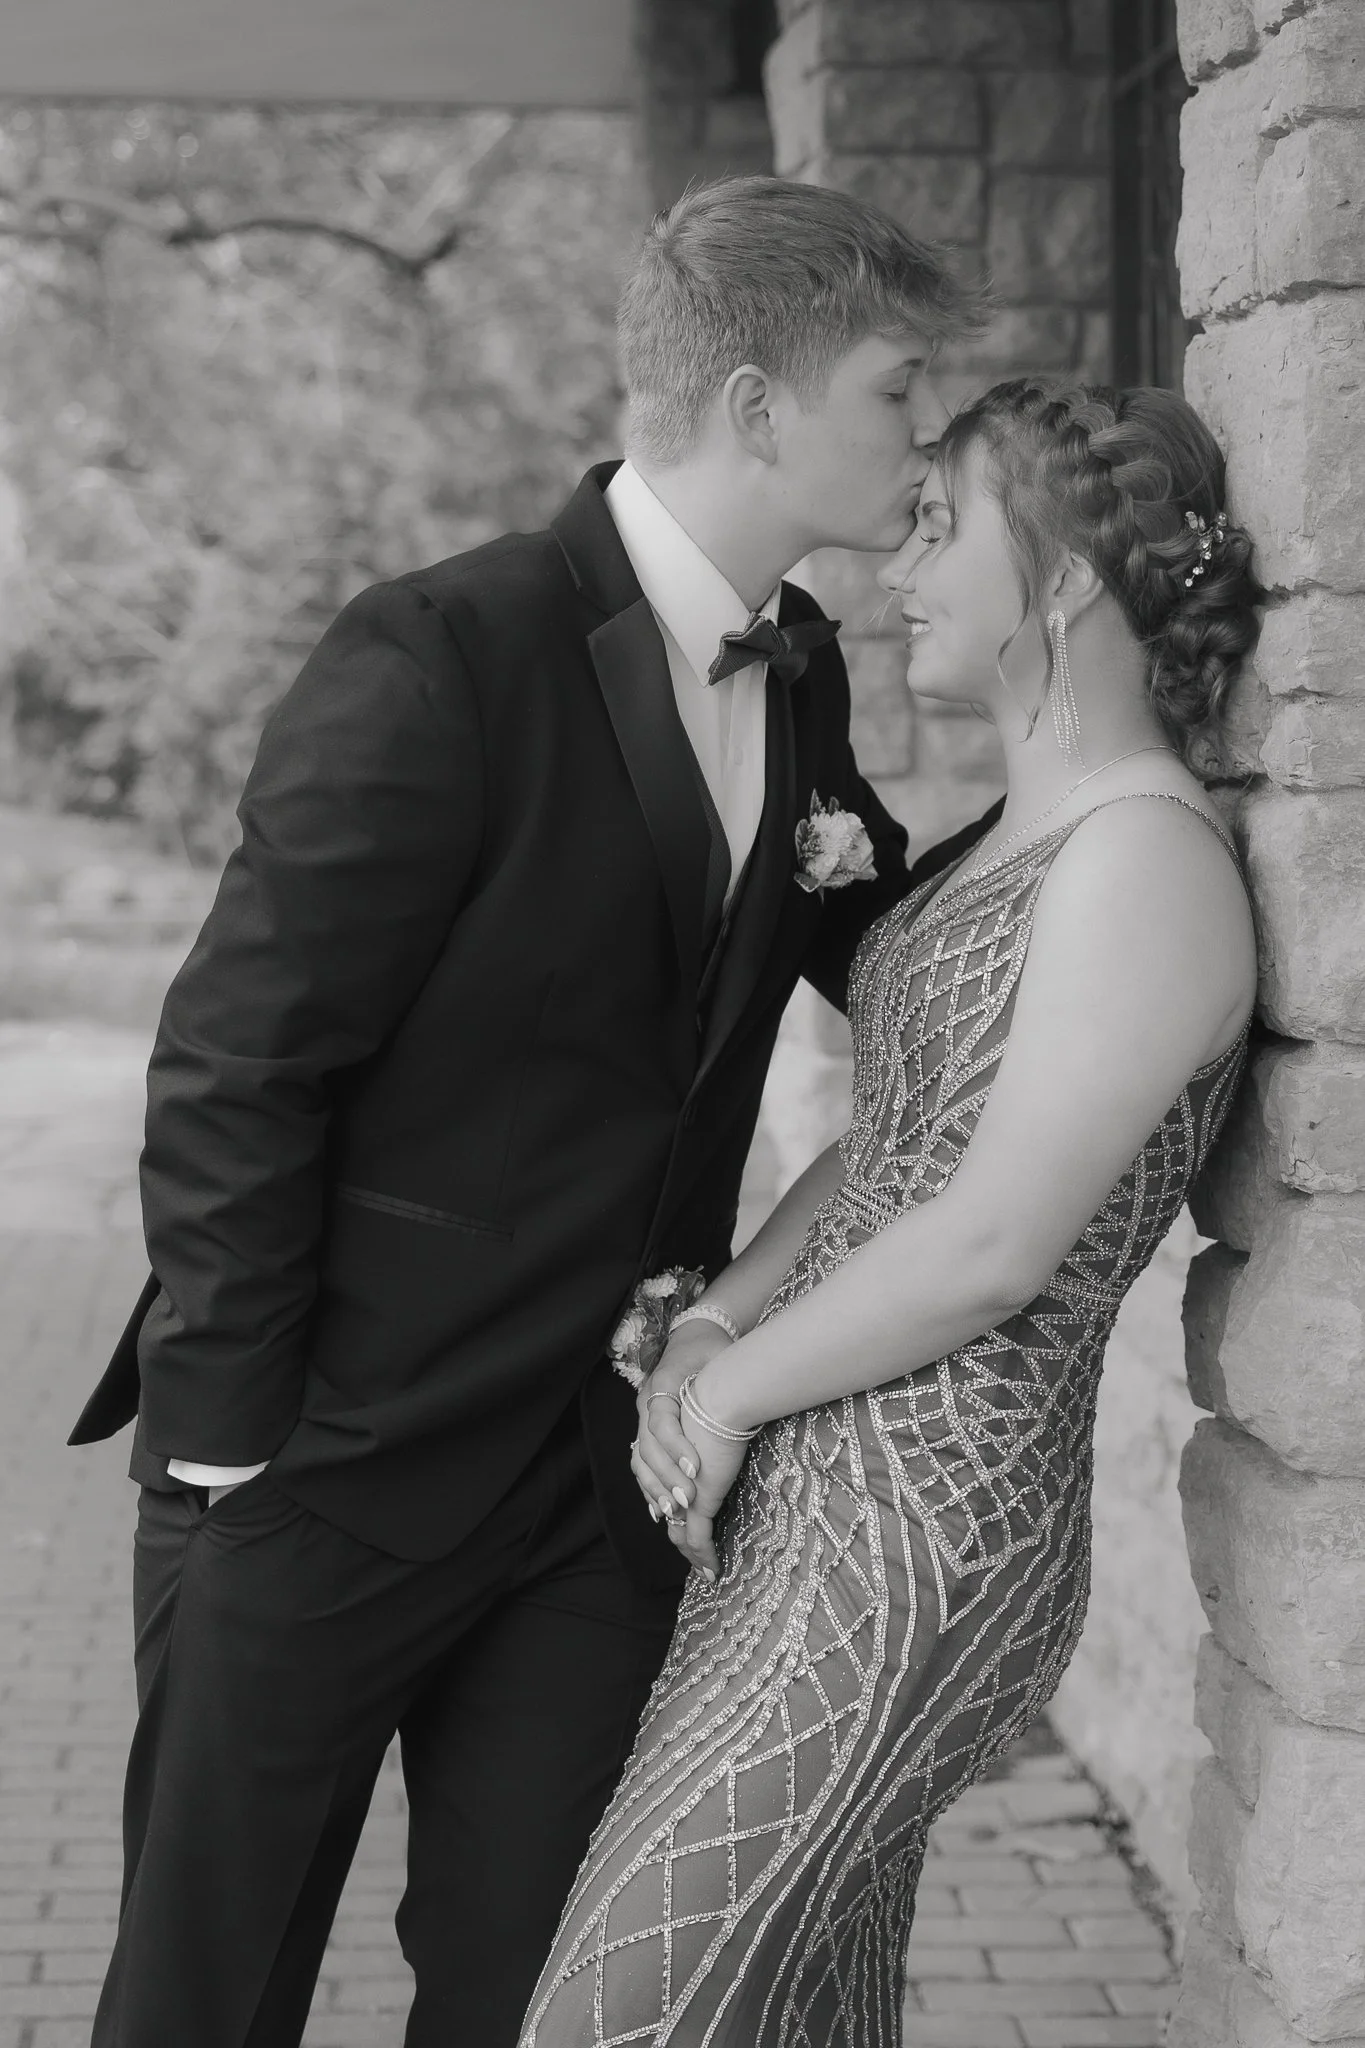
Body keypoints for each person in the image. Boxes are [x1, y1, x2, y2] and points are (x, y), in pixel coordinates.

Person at [68, 176, 991, 2048]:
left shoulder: (795, 667)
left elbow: (876, 937)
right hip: (328, 1459)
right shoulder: (441, 653)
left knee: (540, 2004)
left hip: (592, 1489)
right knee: (205, 2002)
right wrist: (237, 1456)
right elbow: (240, 1063)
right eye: (901, 391)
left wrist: (1100, 804)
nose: (926, 436)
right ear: (756, 406)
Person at [518, 379, 1263, 2048]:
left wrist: (720, 1393)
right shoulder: (1029, 835)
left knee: (610, 2017)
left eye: (944, 523)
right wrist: (715, 1321)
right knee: (792, 2016)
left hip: (923, 1531)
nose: (900, 562)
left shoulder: (1144, 861)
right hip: (815, 1484)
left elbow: (996, 1244)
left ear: (1062, 581)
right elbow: (894, 1144)